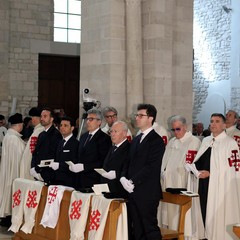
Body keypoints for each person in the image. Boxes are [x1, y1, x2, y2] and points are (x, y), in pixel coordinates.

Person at [120, 103, 165, 240]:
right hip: (133, 191)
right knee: (137, 229)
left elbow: (151, 166)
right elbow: (128, 161)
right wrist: (123, 177)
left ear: (150, 118)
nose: (137, 118)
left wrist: (133, 180)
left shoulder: (156, 140)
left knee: (149, 228)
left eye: (141, 115)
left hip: (147, 191)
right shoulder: (137, 138)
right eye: (136, 115)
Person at [192, 113, 240, 239]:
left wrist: (212, 173)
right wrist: (193, 169)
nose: (213, 124)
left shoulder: (230, 143)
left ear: (224, 125)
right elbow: (200, 160)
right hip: (203, 183)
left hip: (220, 185)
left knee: (215, 213)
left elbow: (233, 169)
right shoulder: (206, 140)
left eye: (217, 121)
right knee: (203, 210)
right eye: (212, 121)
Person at [160, 115, 201, 235]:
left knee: (178, 214)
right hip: (167, 182)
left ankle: (182, 233)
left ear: (185, 127)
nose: (175, 132)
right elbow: (164, 160)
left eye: (178, 129)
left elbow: (191, 165)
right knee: (167, 212)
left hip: (181, 182)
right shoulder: (172, 141)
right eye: (173, 130)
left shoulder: (193, 142)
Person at [69, 109, 112, 190]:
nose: (88, 122)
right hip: (80, 180)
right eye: (87, 119)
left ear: (99, 122)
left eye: (91, 119)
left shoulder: (104, 138)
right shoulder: (83, 137)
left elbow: (103, 161)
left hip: (94, 180)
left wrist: (84, 167)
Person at [0, 113, 25, 224]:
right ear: (19, 125)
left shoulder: (8, 136)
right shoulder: (14, 139)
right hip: (14, 171)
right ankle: (9, 218)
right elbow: (20, 157)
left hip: (8, 169)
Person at [30, 107, 62, 184]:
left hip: (48, 173)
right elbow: (36, 152)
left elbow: (52, 155)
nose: (42, 118)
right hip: (38, 171)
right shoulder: (41, 134)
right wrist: (33, 167)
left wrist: (39, 169)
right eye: (41, 116)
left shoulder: (56, 134)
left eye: (45, 116)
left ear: (51, 119)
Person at [100, 121, 130, 198]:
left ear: (124, 133)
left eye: (115, 131)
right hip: (108, 191)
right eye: (111, 131)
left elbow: (131, 169)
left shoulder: (129, 148)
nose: (112, 134)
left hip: (120, 193)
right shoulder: (112, 148)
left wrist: (117, 174)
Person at [49, 116, 79, 187]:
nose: (62, 127)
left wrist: (59, 165)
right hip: (57, 179)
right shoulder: (60, 142)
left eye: (65, 126)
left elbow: (75, 162)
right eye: (61, 125)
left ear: (72, 128)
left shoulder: (76, 144)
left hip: (69, 180)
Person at [20, 107, 45, 180]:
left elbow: (32, 150)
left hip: (32, 165)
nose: (32, 120)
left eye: (32, 117)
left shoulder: (38, 131)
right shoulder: (38, 130)